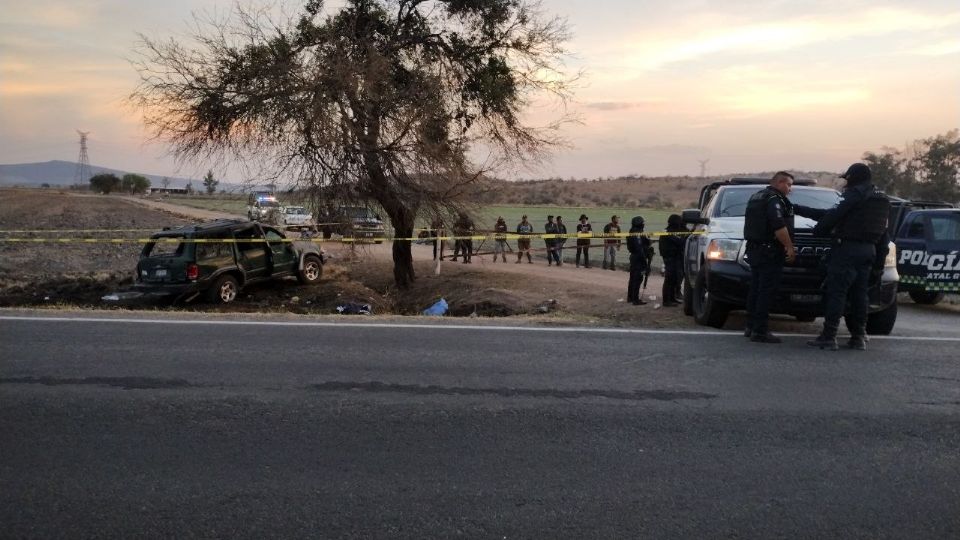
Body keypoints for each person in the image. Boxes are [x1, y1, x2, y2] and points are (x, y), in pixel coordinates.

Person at [805, 163, 891, 351]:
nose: (845, 183)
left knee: (837, 294)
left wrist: (819, 231)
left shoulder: (853, 195)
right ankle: (858, 337)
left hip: (846, 250)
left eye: (847, 179)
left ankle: (829, 336)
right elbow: (884, 234)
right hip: (869, 251)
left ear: (853, 178)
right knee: (860, 295)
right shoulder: (881, 199)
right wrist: (879, 264)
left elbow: (832, 216)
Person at [743, 171, 813, 343]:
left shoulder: (757, 196)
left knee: (756, 289)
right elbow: (779, 226)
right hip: (769, 251)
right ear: (780, 182)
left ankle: (751, 326)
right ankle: (760, 331)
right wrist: (789, 247)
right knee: (766, 291)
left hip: (755, 249)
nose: (790, 189)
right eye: (788, 184)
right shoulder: (774, 199)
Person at [658, 214, 686, 307]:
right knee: (669, 279)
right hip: (670, 258)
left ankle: (672, 298)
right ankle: (666, 301)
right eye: (679, 222)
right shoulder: (667, 232)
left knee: (674, 279)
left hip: (674, 258)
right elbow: (680, 242)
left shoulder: (672, 231)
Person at [625, 216, 650, 305]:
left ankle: (630, 297)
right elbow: (639, 248)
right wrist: (645, 263)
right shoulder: (637, 234)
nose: (643, 224)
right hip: (638, 258)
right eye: (642, 223)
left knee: (633, 278)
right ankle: (635, 299)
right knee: (637, 278)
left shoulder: (632, 232)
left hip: (634, 257)